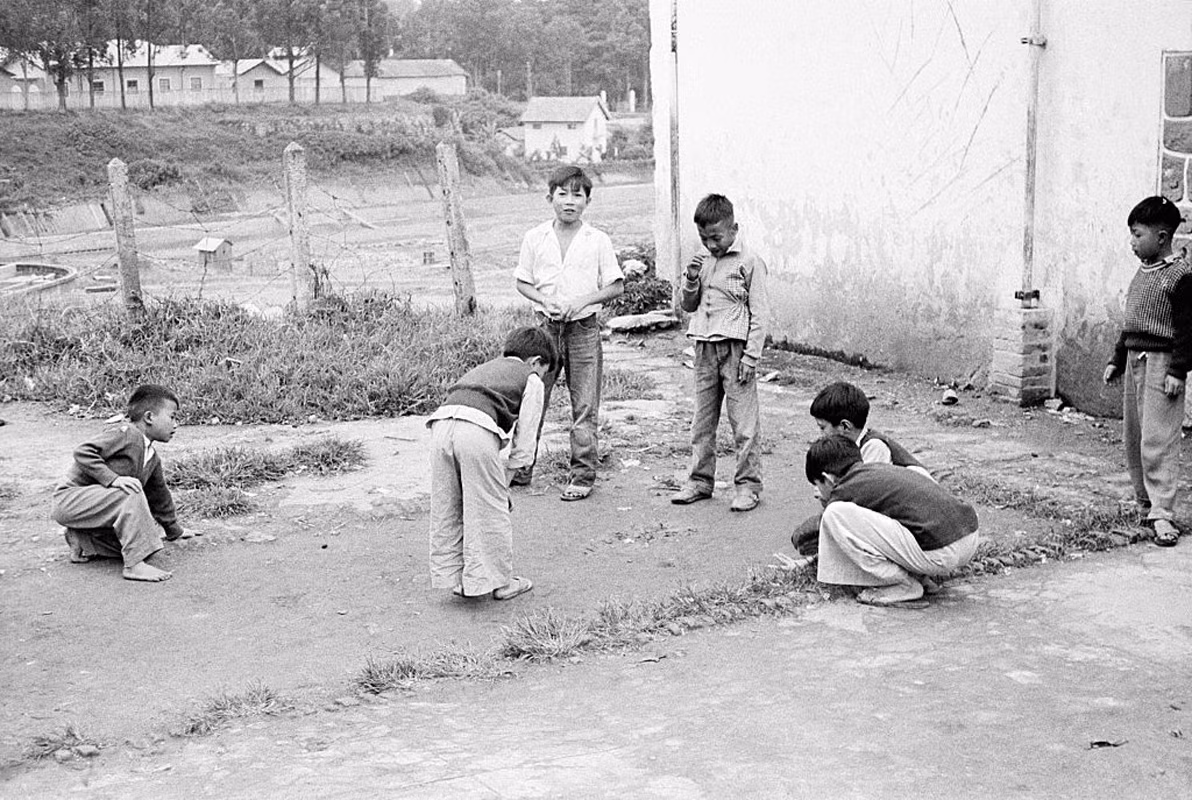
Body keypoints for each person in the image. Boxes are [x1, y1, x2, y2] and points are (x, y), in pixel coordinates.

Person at [512, 165, 625, 501]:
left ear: (587, 201)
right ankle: (521, 468)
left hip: (583, 331)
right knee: (532, 400)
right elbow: (522, 281)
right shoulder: (535, 238)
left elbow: (615, 286)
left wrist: (581, 302)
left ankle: (582, 475)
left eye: (578, 194)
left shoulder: (598, 240)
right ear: (551, 197)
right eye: (563, 193)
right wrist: (545, 299)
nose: (570, 201)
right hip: (544, 332)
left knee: (585, 405)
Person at [428, 326, 558, 600]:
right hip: (475, 430)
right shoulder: (531, 379)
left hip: (440, 426)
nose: (541, 377)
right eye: (543, 371)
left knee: (450, 504)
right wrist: (505, 484)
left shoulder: (484, 367)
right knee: (490, 508)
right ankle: (500, 582)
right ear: (536, 362)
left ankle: (457, 577)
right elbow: (525, 442)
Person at [671, 193, 770, 512]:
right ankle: (700, 481)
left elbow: (761, 313)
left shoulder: (750, 261)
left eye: (716, 237)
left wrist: (751, 356)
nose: (711, 244)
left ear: (734, 229)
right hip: (704, 348)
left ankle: (748, 485)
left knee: (744, 424)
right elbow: (688, 305)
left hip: (736, 351)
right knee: (702, 421)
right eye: (704, 238)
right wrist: (689, 278)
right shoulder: (701, 261)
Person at [1104, 195, 1192, 547]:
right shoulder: (1143, 272)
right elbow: (1132, 323)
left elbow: (1188, 329)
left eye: (1137, 235)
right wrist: (1116, 359)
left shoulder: (1181, 276)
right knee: (1136, 437)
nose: (1132, 243)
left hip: (1161, 365)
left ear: (1161, 236)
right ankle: (1145, 504)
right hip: (1135, 360)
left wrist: (1178, 371)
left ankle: (1163, 512)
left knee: (1159, 439)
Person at [804, 435, 979, 607]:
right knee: (890, 521)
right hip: (968, 537)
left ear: (827, 479)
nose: (816, 492)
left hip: (940, 553)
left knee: (835, 514)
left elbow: (818, 530)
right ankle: (922, 577)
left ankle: (903, 585)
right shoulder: (876, 470)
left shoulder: (844, 488)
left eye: (817, 484)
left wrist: (802, 548)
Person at [51, 384, 186, 583]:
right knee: (130, 491)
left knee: (145, 545)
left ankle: (83, 542)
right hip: (69, 499)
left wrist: (175, 530)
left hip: (95, 505)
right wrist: (113, 479)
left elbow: (159, 496)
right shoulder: (125, 433)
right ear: (149, 418)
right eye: (172, 417)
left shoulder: (151, 456)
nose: (176, 425)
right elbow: (83, 451)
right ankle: (134, 566)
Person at [790, 381, 933, 557]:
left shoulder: (873, 447)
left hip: (918, 524)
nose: (821, 435)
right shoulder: (850, 449)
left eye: (823, 428)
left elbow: (864, 502)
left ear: (844, 426)